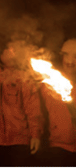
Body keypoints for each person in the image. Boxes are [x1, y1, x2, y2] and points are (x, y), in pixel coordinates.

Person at [0, 38, 43, 166]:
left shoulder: (23, 77)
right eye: (10, 49)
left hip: (19, 142)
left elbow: (33, 108)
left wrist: (36, 135)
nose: (14, 53)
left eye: (16, 50)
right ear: (1, 51)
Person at [37, 38, 76, 166]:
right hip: (58, 148)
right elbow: (38, 114)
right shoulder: (50, 83)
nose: (70, 61)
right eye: (66, 55)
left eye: (75, 56)